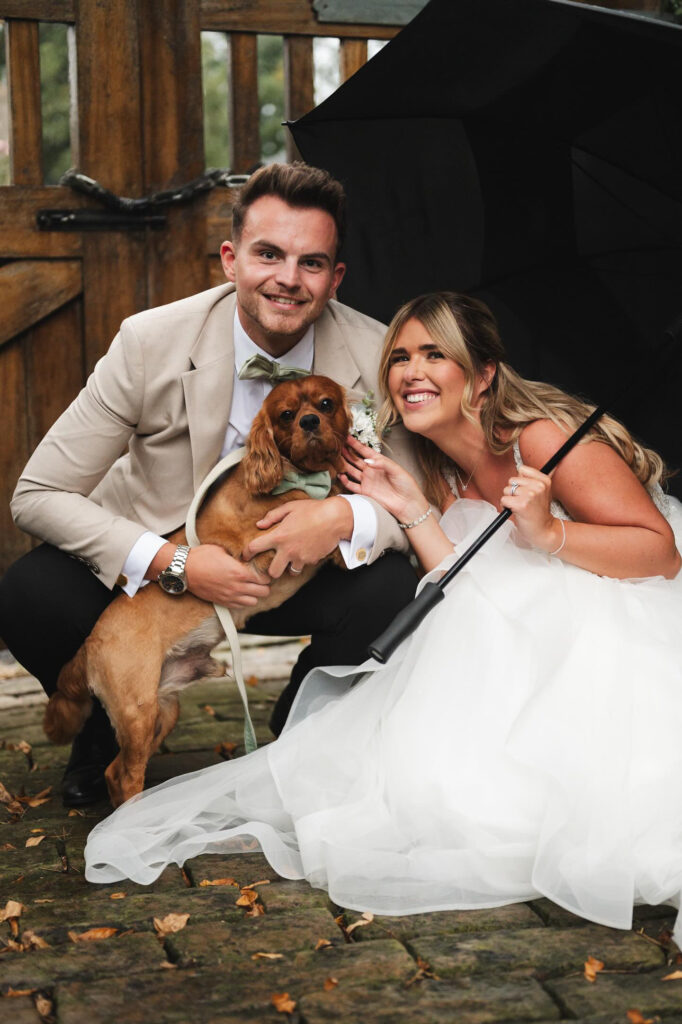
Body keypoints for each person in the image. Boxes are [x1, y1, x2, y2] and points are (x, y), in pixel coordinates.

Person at [84, 290, 682, 945]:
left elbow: (660, 553)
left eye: (435, 354)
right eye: (399, 356)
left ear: (481, 375)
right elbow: (465, 578)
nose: (411, 370)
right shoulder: (428, 458)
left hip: (608, 603)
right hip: (510, 610)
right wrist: (409, 506)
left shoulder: (541, 438)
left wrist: (548, 536)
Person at [0, 163, 419, 807]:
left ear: (335, 279)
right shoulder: (149, 342)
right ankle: (107, 735)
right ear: (231, 259)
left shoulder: (375, 351)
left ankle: (301, 735)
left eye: (312, 263)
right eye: (269, 254)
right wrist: (175, 563)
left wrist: (342, 521)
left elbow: (420, 500)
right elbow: (38, 493)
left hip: (293, 574)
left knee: (395, 585)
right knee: (31, 592)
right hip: (156, 583)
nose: (288, 278)